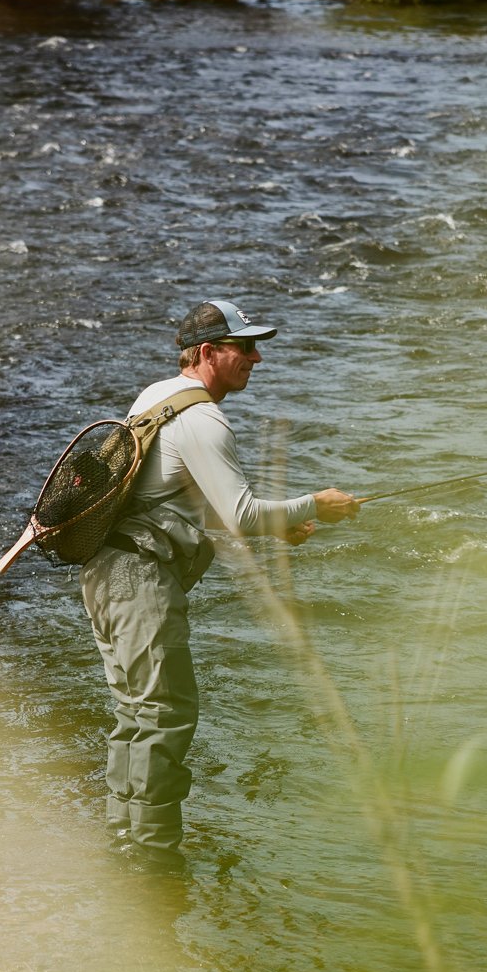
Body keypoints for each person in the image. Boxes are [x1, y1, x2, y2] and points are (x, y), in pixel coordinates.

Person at [79, 300, 359, 849]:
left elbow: (176, 496)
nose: (257, 358)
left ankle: (125, 839)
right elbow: (241, 513)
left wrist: (277, 530)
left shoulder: (156, 396)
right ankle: (154, 857)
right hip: (139, 578)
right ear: (208, 353)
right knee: (165, 714)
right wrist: (313, 505)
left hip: (105, 571)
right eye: (246, 347)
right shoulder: (205, 420)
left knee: (137, 713)